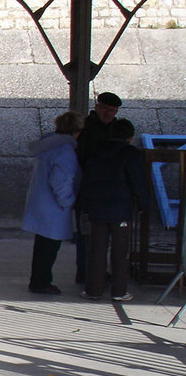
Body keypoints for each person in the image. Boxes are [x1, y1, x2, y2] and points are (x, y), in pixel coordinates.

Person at [80, 117, 145, 301]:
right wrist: (143, 204)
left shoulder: (95, 152)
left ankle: (93, 290)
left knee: (97, 250)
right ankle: (119, 291)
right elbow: (137, 181)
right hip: (120, 208)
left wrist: (86, 204)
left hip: (97, 206)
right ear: (129, 137)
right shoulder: (131, 154)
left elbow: (87, 179)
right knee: (120, 251)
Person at [22, 111, 84, 295]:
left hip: (41, 203)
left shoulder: (48, 146)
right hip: (54, 207)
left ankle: (38, 280)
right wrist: (69, 201)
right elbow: (61, 182)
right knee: (49, 248)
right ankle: (41, 282)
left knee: (42, 246)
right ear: (76, 131)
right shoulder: (65, 151)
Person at [74, 91, 122, 282]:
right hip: (88, 190)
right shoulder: (85, 129)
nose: (108, 114)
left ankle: (97, 270)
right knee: (86, 235)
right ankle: (85, 271)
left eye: (112, 111)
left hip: (107, 192)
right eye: (106, 110)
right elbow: (81, 158)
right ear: (97, 107)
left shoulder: (115, 129)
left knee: (103, 237)